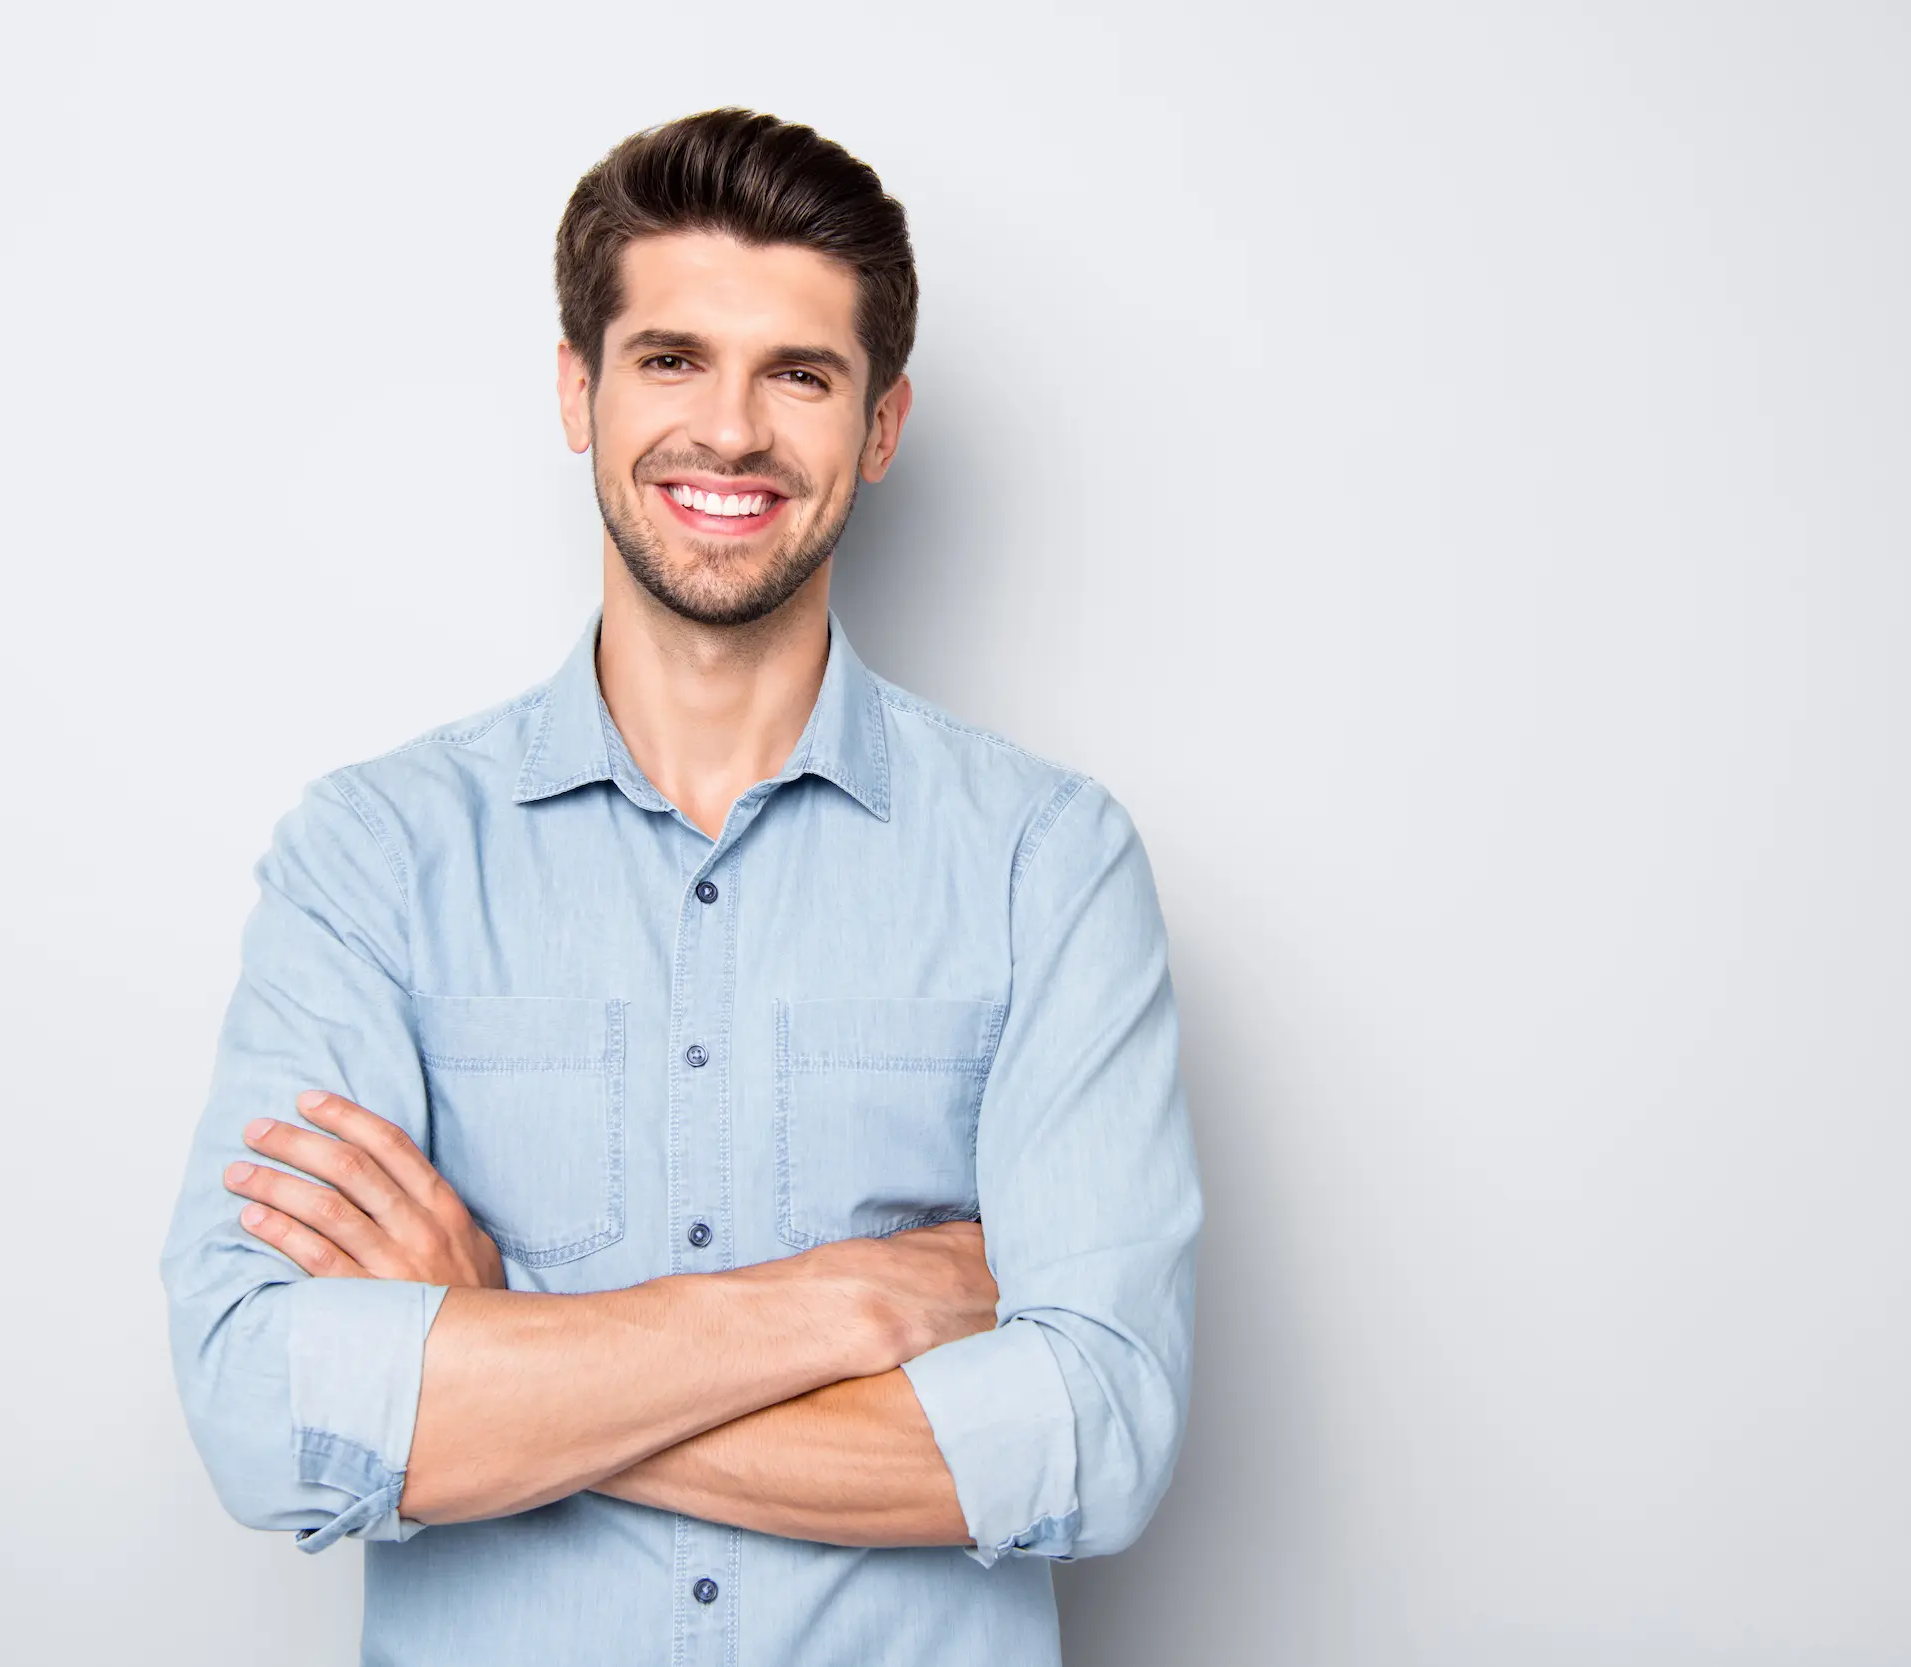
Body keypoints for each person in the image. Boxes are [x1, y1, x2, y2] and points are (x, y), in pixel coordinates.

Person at [157, 108, 1201, 1665]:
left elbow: (1097, 1436)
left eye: (800, 372)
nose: (731, 431)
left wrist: (497, 1349)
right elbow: (261, 1406)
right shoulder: (374, 854)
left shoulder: (1046, 862)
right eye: (670, 359)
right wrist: (844, 1310)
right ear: (577, 389)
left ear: (884, 421)